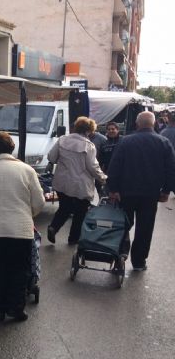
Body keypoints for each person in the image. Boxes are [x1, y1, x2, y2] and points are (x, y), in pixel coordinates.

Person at [0, 131, 45, 322]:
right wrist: (28, 214)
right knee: (19, 270)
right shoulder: (27, 170)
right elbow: (39, 202)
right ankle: (16, 308)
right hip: (20, 230)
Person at [107, 111, 175, 271]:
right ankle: (139, 262)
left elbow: (114, 166)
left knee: (123, 225)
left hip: (126, 192)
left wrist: (113, 189)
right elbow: (171, 169)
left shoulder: (125, 141)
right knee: (145, 228)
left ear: (137, 124)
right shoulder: (163, 142)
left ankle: (120, 255)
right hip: (150, 194)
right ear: (154, 124)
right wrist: (166, 191)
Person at [47, 117, 106, 245]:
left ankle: (53, 227)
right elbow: (93, 167)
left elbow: (51, 157)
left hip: (62, 182)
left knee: (64, 207)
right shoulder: (89, 145)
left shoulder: (62, 140)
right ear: (89, 131)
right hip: (80, 184)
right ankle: (73, 238)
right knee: (80, 212)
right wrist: (103, 178)